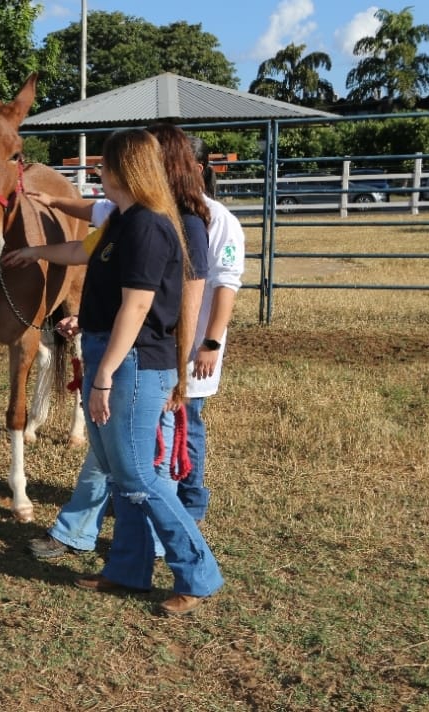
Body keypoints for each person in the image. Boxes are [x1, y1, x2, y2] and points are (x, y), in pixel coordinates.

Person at [3, 128, 223, 615]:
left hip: (136, 363)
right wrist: (35, 254)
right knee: (125, 476)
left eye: (104, 164)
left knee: (142, 475)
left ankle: (198, 573)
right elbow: (83, 254)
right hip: (114, 353)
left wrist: (103, 373)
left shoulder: (149, 225)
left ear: (124, 169)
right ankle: (127, 571)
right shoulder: (123, 219)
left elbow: (139, 304)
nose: (98, 172)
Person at [177, 135, 246, 522]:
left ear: (197, 171)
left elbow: (227, 285)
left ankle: (191, 500)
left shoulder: (220, 220)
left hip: (196, 341)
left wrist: (211, 341)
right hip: (167, 341)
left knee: (189, 421)